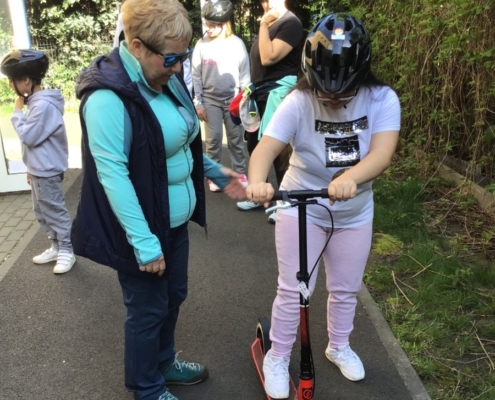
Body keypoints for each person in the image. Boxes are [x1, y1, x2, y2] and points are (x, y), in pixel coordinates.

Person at [72, 1, 246, 399]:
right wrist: (146, 244)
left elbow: (182, 141)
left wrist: (216, 172)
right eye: (171, 58)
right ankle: (146, 389)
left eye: (183, 56)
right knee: (147, 310)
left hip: (172, 221)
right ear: (136, 46)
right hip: (140, 230)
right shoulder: (107, 98)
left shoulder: (164, 78)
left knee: (173, 296)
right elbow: (112, 174)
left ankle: (164, 363)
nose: (179, 67)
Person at [245, 13, 401, 399]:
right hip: (302, 208)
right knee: (296, 288)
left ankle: (339, 345)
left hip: (354, 211)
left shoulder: (382, 98)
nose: (332, 100)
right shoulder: (298, 101)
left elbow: (381, 154)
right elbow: (266, 148)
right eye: (325, 92)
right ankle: (278, 356)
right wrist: (259, 181)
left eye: (342, 94)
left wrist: (352, 178)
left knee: (346, 289)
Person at [0, 49, 76, 274]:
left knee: (54, 211)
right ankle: (56, 246)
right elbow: (35, 144)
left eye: (11, 82)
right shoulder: (35, 103)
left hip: (47, 171)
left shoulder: (42, 106)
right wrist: (30, 168)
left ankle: (67, 250)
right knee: (42, 212)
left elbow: (29, 137)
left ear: (25, 80)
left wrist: (16, 112)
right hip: (38, 170)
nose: (10, 87)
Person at [236, 0, 303, 224]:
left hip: (278, 92)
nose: (265, 3)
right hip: (261, 93)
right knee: (254, 143)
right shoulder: (272, 22)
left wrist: (263, 26)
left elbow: (268, 57)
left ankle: (284, 201)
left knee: (279, 148)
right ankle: (259, 195)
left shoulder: (290, 23)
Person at [191, 0, 250, 192]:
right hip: (210, 100)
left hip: (233, 100)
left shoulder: (237, 44)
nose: (207, 28)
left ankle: (240, 174)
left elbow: (245, 76)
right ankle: (215, 175)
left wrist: (244, 102)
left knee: (235, 140)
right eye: (206, 24)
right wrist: (198, 103)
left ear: (224, 24)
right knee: (213, 139)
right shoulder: (201, 45)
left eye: (211, 25)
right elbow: (196, 76)